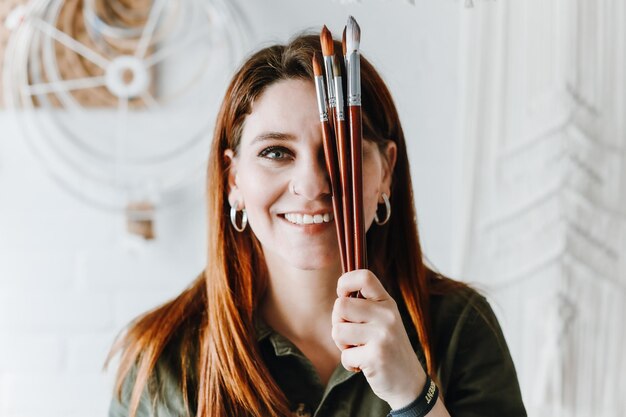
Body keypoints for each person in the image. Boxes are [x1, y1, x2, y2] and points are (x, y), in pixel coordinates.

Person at [107, 33, 527, 417]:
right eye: (276, 152)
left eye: (339, 150)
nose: (311, 184)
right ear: (234, 181)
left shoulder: (460, 327)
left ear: (385, 173)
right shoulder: (161, 360)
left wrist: (415, 396)